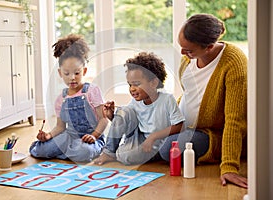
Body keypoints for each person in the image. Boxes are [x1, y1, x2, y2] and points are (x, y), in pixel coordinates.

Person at [159, 14, 248, 188]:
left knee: (166, 149)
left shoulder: (234, 63)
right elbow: (190, 94)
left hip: (210, 133)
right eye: (182, 47)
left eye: (189, 50)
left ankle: (229, 151)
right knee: (146, 136)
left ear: (208, 47)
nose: (183, 54)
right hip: (184, 124)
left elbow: (235, 119)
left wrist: (229, 167)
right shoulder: (188, 59)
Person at [94, 52, 185, 165]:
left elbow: (180, 126)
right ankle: (109, 152)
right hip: (139, 138)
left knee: (126, 156)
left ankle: (123, 153)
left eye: (136, 84)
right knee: (123, 111)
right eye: (130, 84)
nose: (132, 89)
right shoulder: (135, 102)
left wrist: (153, 137)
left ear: (153, 83)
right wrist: (112, 116)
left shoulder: (167, 99)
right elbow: (125, 122)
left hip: (157, 144)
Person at [29, 34, 108, 162]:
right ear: (60, 73)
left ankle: (85, 149)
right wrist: (48, 136)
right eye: (67, 73)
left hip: (92, 137)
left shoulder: (92, 91)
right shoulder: (61, 99)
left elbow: (103, 120)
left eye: (77, 73)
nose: (72, 77)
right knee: (41, 151)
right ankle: (69, 151)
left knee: (84, 151)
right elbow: (60, 127)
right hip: (69, 137)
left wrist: (94, 136)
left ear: (85, 71)